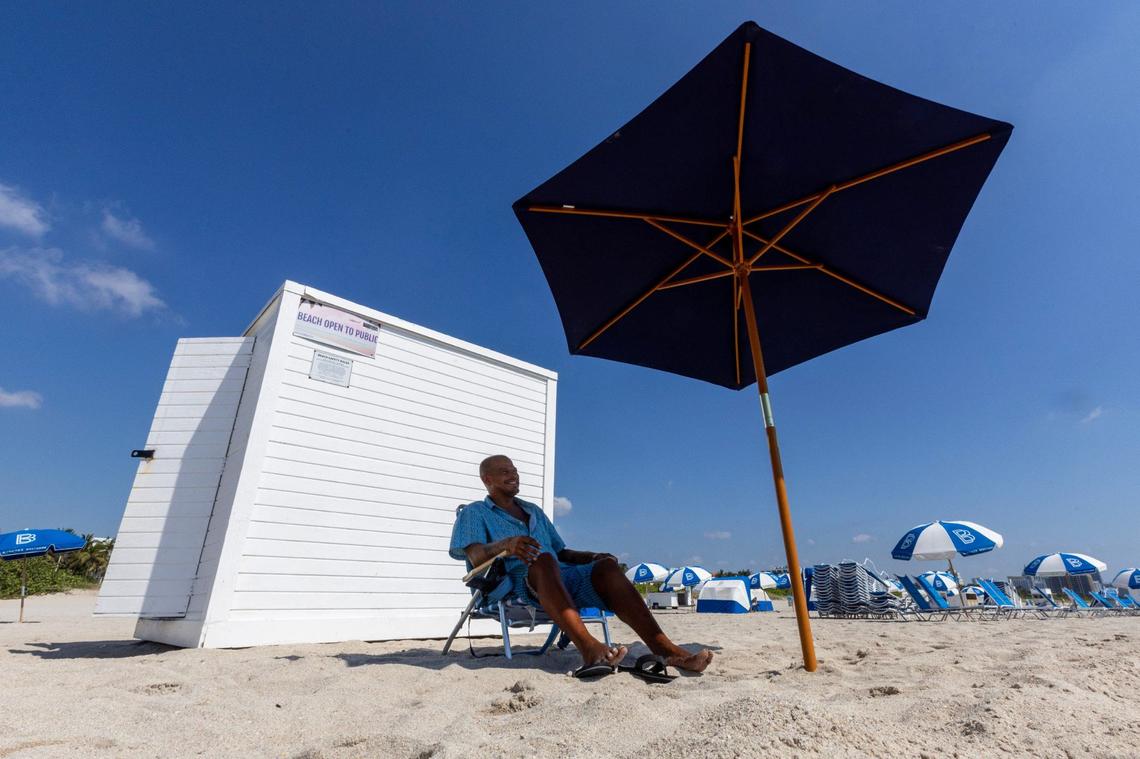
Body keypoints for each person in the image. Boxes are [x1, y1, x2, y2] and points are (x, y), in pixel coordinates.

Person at [450, 454, 713, 675]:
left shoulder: (533, 511)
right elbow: (475, 557)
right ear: (487, 479)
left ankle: (666, 650)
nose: (514, 474)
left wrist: (593, 557)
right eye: (504, 471)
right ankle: (589, 648)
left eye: (515, 470)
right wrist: (505, 545)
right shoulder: (475, 513)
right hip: (517, 584)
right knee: (542, 560)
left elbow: (561, 552)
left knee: (607, 569)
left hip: (562, 578)